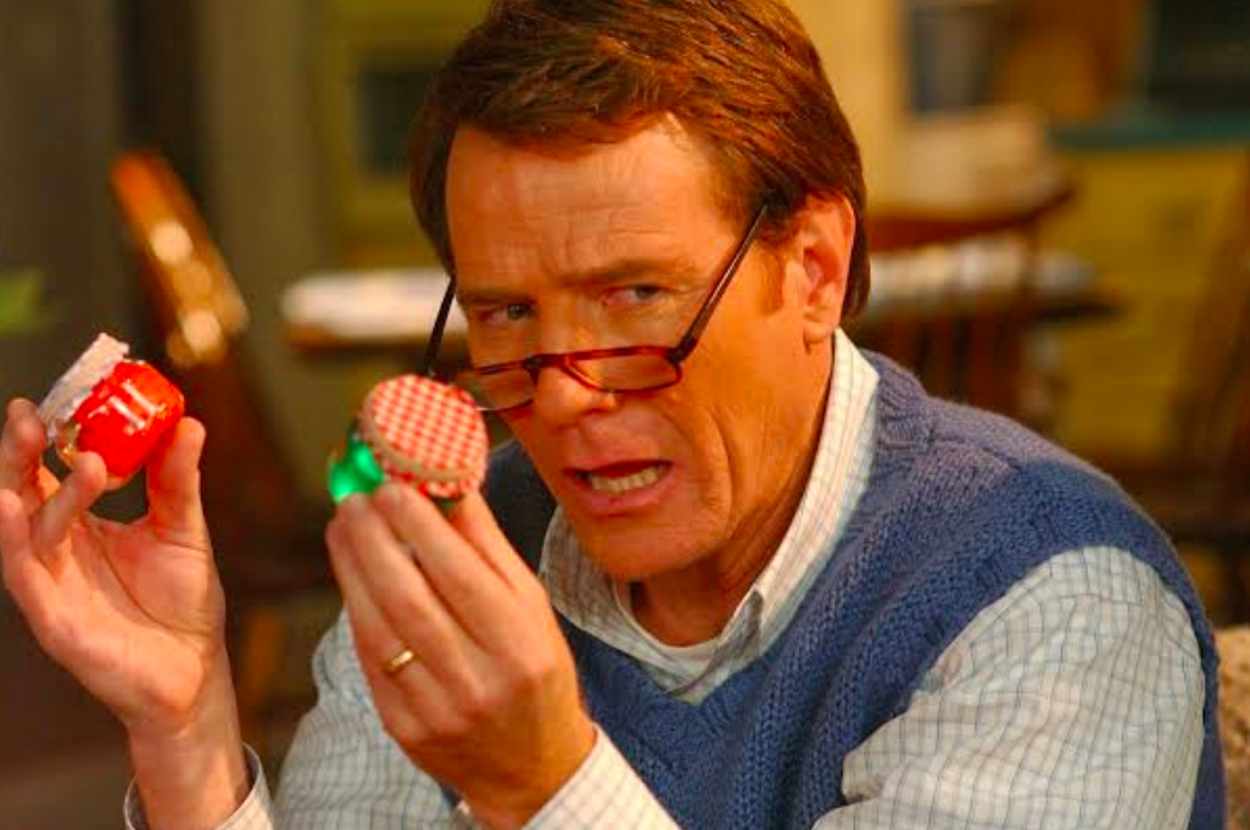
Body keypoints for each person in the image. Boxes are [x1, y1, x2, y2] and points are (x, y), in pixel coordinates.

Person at [0, 0, 1226, 827]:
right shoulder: (462, 545)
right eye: (506, 313)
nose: (565, 393)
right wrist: (185, 729)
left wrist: (543, 783)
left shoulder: (1051, 597)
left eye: (635, 297)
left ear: (811, 268)